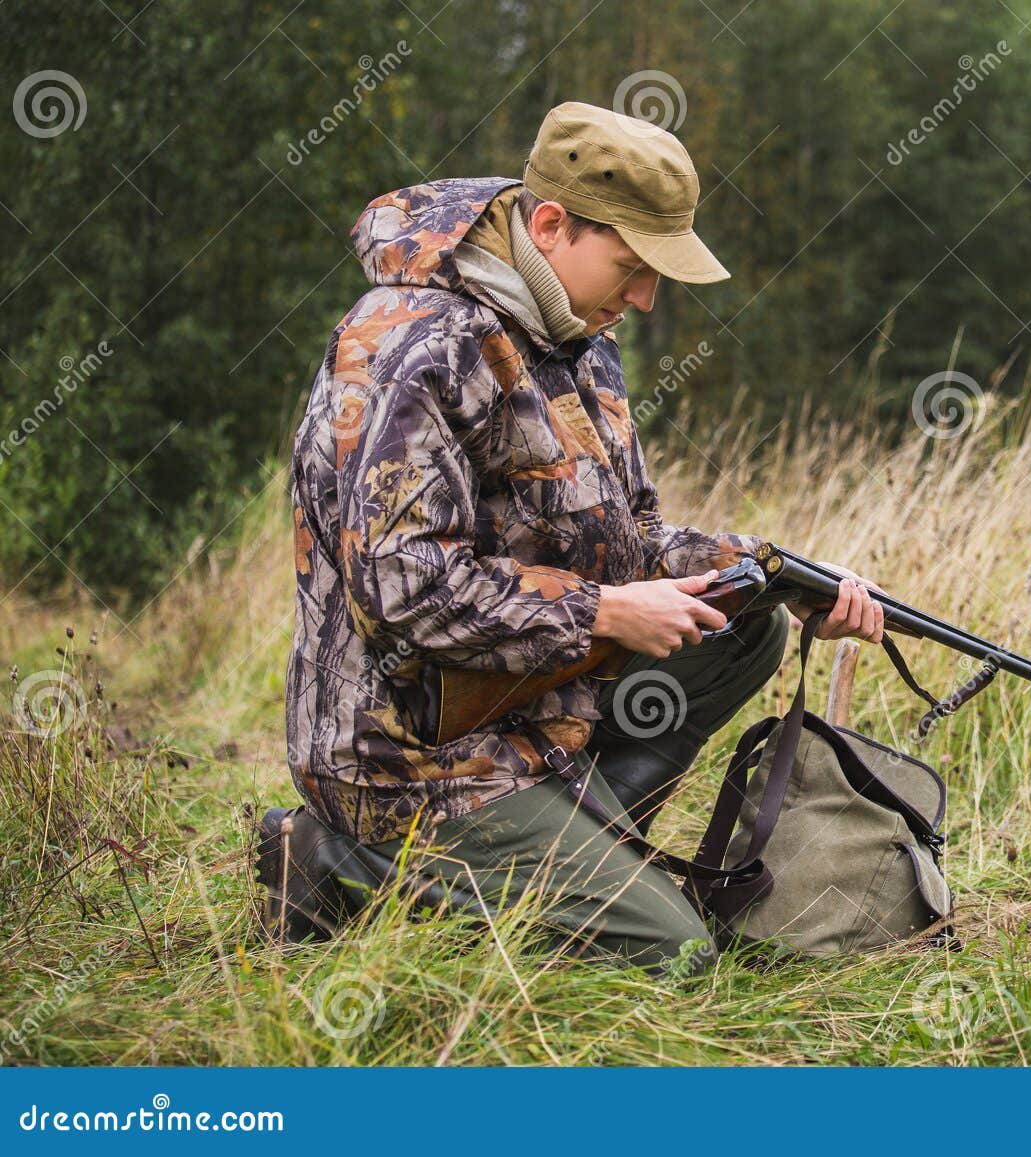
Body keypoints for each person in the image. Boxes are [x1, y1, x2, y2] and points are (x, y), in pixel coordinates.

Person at [259, 101, 885, 975]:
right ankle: (339, 861)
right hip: (403, 755)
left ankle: (577, 836)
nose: (643, 298)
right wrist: (603, 614)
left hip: (527, 709)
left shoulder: (576, 336)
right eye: (631, 267)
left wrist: (779, 574)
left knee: (746, 622)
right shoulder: (409, 347)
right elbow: (403, 584)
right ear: (551, 225)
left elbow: (633, 540)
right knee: (673, 956)